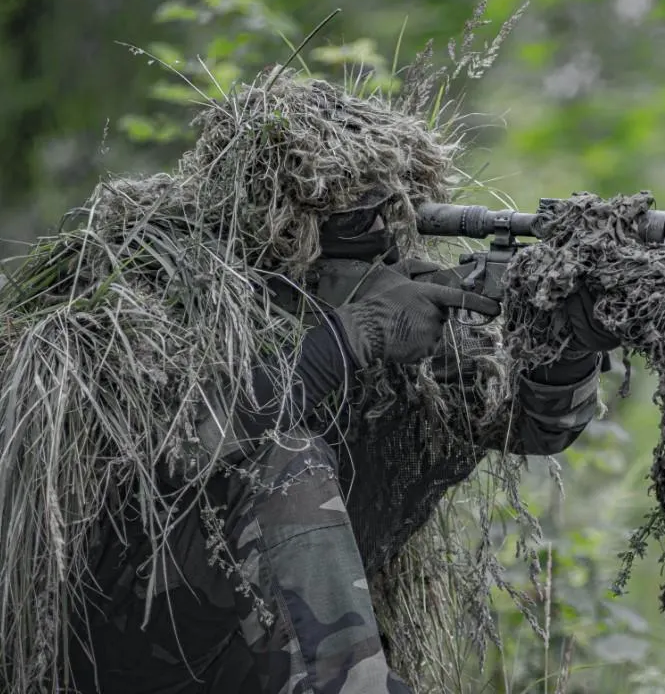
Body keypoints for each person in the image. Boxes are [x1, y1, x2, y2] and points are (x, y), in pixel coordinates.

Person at [65, 185, 619, 693]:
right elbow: (182, 452)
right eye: (353, 228)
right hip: (135, 648)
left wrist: (569, 345)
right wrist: (350, 337)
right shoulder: (179, 289)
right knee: (288, 460)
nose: (382, 255)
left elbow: (533, 428)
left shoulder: (398, 306)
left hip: (262, 658)